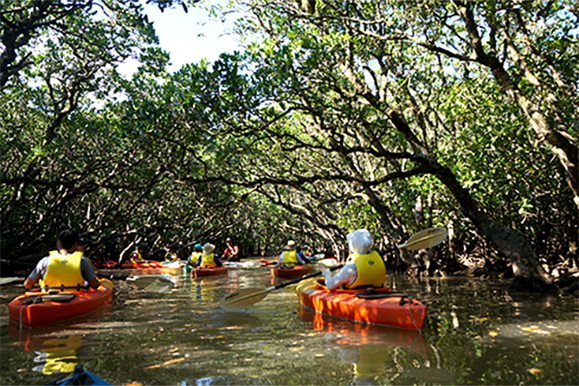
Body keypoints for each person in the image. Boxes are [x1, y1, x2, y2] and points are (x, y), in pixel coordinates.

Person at [24, 229, 101, 291]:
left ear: (58, 246)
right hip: (75, 298)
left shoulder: (44, 261)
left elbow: (27, 285)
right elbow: (95, 285)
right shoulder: (83, 261)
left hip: (48, 298)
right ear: (75, 245)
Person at [320, 229, 385, 290]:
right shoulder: (378, 259)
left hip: (356, 296)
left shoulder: (351, 266)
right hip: (378, 293)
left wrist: (327, 273)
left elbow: (330, 285)